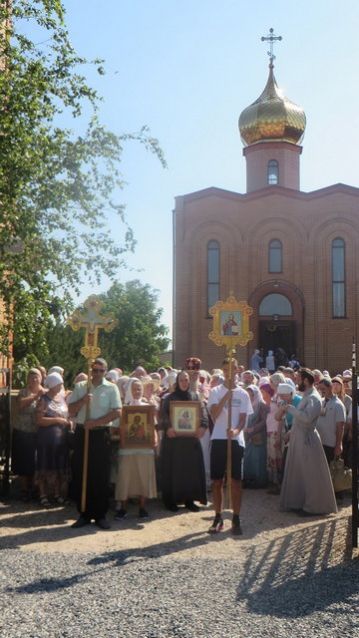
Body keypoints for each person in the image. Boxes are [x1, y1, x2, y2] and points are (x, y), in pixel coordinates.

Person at [68, 358, 122, 530]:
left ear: (105, 371)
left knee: (100, 474)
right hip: (83, 433)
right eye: (94, 370)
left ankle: (100, 514)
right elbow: (70, 410)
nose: (97, 373)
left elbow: (117, 412)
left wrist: (96, 422)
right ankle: (84, 513)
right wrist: (83, 401)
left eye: (100, 370)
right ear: (90, 370)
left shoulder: (111, 388)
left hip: (100, 434)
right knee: (82, 472)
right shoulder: (81, 387)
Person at [280, 368, 337, 515]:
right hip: (298, 438)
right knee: (299, 472)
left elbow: (307, 419)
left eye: (298, 379)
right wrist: (291, 432)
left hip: (308, 440)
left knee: (310, 475)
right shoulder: (306, 395)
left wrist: (291, 409)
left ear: (306, 380)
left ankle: (313, 506)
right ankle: (298, 502)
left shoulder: (314, 398)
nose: (296, 382)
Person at [207, 358, 253, 535]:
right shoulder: (215, 391)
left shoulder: (243, 394)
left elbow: (243, 419)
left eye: (232, 369)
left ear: (237, 370)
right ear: (223, 371)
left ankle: (236, 516)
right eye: (226, 370)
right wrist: (227, 395)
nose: (229, 373)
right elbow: (214, 414)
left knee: (235, 480)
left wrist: (235, 430)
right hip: (218, 438)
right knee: (217, 481)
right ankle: (218, 516)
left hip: (235, 440)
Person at [160, 370, 208, 512]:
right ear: (177, 381)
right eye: (182, 380)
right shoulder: (170, 398)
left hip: (190, 441)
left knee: (190, 471)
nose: (184, 382)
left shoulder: (195, 396)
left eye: (186, 380)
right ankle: (171, 501)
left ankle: (189, 500)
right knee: (173, 471)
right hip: (174, 442)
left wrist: (203, 426)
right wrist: (168, 427)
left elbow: (203, 412)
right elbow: (163, 415)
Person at [115, 378, 157, 520]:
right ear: (129, 391)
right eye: (134, 389)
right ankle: (123, 509)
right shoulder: (124, 409)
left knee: (143, 478)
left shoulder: (148, 408)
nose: (137, 391)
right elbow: (120, 428)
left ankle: (142, 508)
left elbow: (152, 427)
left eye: (139, 389)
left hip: (145, 449)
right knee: (125, 478)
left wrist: (154, 439)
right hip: (127, 449)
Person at [35, 372, 71, 506]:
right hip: (46, 439)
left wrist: (68, 422)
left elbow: (66, 415)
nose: (61, 386)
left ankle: (57, 494)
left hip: (61, 439)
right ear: (52, 384)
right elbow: (39, 420)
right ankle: (43, 495)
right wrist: (57, 420)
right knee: (45, 465)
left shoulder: (62, 398)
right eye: (59, 384)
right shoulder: (44, 399)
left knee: (58, 466)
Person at [12, 368, 45, 501]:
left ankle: (36, 489)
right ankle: (24, 490)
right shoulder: (23, 392)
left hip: (38, 433)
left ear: (41, 378)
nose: (34, 379)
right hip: (23, 432)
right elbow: (20, 405)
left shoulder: (45, 393)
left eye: (36, 377)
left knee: (36, 463)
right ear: (27, 379)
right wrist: (35, 397)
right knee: (23, 463)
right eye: (31, 377)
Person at [243, 385, 268, 488]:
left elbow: (263, 421)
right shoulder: (245, 404)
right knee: (247, 458)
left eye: (252, 394)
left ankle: (258, 481)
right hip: (246, 435)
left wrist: (253, 429)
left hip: (257, 435)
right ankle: (248, 480)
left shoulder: (261, 404)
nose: (250, 396)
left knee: (257, 459)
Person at [316, 378, 345, 465]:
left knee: (329, 470)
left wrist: (338, 445)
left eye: (323, 389)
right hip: (318, 442)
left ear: (331, 388)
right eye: (319, 389)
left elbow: (340, 426)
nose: (321, 391)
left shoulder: (338, 405)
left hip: (330, 444)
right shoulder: (319, 402)